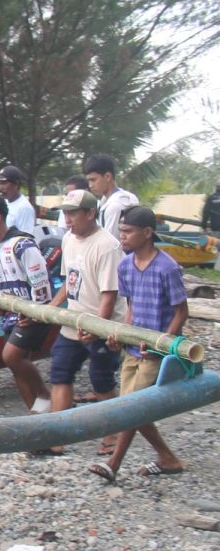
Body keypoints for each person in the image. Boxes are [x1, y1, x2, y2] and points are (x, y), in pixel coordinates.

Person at [88, 206, 187, 482]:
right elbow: (131, 307)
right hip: (133, 348)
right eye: (121, 230)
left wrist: (162, 343)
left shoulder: (167, 267)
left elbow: (181, 312)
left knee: (133, 405)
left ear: (147, 233)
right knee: (133, 406)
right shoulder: (125, 266)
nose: (123, 236)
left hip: (156, 352)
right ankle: (167, 458)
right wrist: (122, 333)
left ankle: (113, 463)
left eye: (128, 231)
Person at [46, 189, 126, 455]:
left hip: (101, 324)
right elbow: (68, 282)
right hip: (74, 321)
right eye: (65, 213)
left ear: (90, 213)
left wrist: (97, 327)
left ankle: (113, 432)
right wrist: (53, 308)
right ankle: (58, 435)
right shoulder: (68, 239)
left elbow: (110, 295)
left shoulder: (107, 246)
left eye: (72, 213)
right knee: (60, 372)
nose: (67, 219)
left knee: (101, 379)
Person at [0, 193, 54, 415]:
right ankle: (36, 418)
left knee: (11, 356)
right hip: (11, 314)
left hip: (33, 312)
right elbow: (2, 288)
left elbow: (41, 284)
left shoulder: (23, 245)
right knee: (16, 368)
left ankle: (45, 394)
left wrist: (34, 313)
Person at [84, 153, 139, 239]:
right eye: (89, 181)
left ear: (107, 177)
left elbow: (110, 242)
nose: (90, 185)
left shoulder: (115, 206)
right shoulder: (107, 200)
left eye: (93, 180)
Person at [0, 165, 36, 234]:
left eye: (4, 183)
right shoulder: (3, 203)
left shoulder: (24, 208)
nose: (0, 187)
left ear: (16, 184)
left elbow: (26, 239)